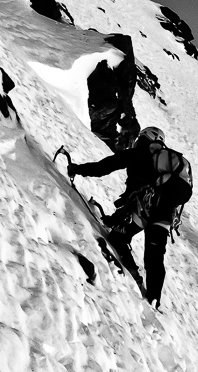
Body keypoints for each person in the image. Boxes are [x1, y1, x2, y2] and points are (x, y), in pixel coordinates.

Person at [67, 127, 180, 308]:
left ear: (145, 139)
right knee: (155, 256)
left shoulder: (138, 153)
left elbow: (104, 167)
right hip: (163, 215)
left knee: (118, 238)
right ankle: (154, 300)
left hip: (141, 210)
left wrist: (78, 169)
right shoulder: (167, 165)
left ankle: (133, 273)